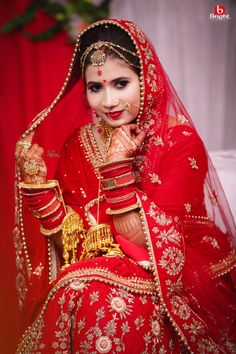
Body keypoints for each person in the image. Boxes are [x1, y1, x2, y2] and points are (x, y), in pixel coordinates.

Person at [14, 19, 236, 353]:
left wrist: (117, 167)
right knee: (76, 289)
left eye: (121, 83)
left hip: (170, 270)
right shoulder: (79, 143)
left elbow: (143, 239)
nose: (108, 101)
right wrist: (39, 188)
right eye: (95, 88)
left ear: (147, 79)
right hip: (94, 270)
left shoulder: (180, 141)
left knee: (93, 298)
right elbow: (70, 243)